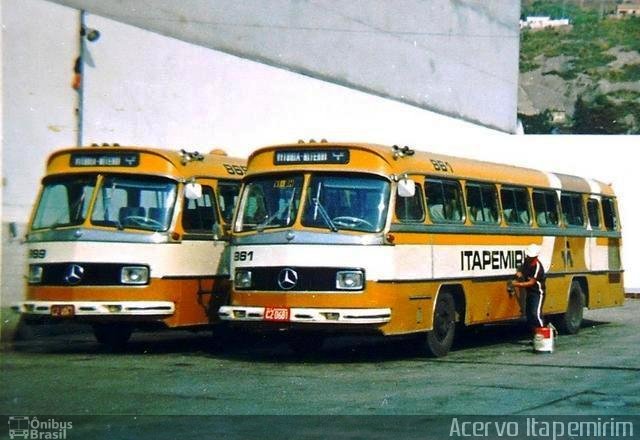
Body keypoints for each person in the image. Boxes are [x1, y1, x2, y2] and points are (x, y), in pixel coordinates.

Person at [512, 244, 546, 330]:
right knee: (529, 315)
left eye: (530, 256)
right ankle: (536, 335)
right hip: (529, 292)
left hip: (538, 293)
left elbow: (531, 282)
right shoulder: (526, 263)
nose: (528, 257)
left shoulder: (538, 266)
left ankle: (543, 332)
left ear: (535, 257)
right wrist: (520, 274)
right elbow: (522, 273)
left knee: (536, 313)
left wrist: (517, 284)